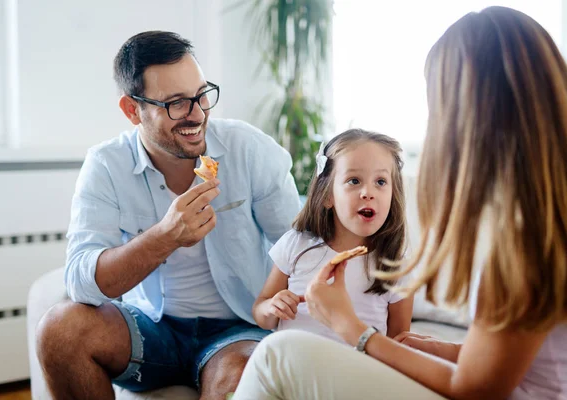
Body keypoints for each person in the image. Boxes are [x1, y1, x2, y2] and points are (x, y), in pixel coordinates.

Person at [232, 6, 567, 400]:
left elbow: (478, 388)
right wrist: (445, 351)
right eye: (353, 180)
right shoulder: (539, 216)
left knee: (276, 355)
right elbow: (527, 362)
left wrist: (352, 329)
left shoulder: (523, 237)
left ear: (470, 114)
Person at [35, 31, 301, 400]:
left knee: (237, 377)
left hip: (237, 329)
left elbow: (301, 247)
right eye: (176, 103)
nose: (197, 114)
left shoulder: (249, 150)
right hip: (151, 330)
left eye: (201, 95)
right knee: (58, 329)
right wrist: (164, 237)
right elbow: (81, 280)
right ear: (132, 110)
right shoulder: (106, 165)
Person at [252, 129, 413, 342]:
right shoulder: (296, 244)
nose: (368, 192)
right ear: (328, 196)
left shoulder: (396, 267)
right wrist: (271, 308)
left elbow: (399, 345)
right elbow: (261, 313)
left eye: (381, 182)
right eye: (354, 181)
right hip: (294, 366)